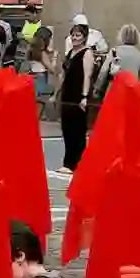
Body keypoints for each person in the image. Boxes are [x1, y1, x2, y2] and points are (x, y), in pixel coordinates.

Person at [56, 17, 105, 172]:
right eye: (73, 35)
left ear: (84, 37)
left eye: (78, 35)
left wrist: (84, 97)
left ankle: (76, 162)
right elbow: (63, 74)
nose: (75, 38)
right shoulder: (70, 52)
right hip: (67, 93)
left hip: (78, 95)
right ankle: (68, 161)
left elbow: (87, 76)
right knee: (67, 128)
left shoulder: (87, 53)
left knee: (77, 129)